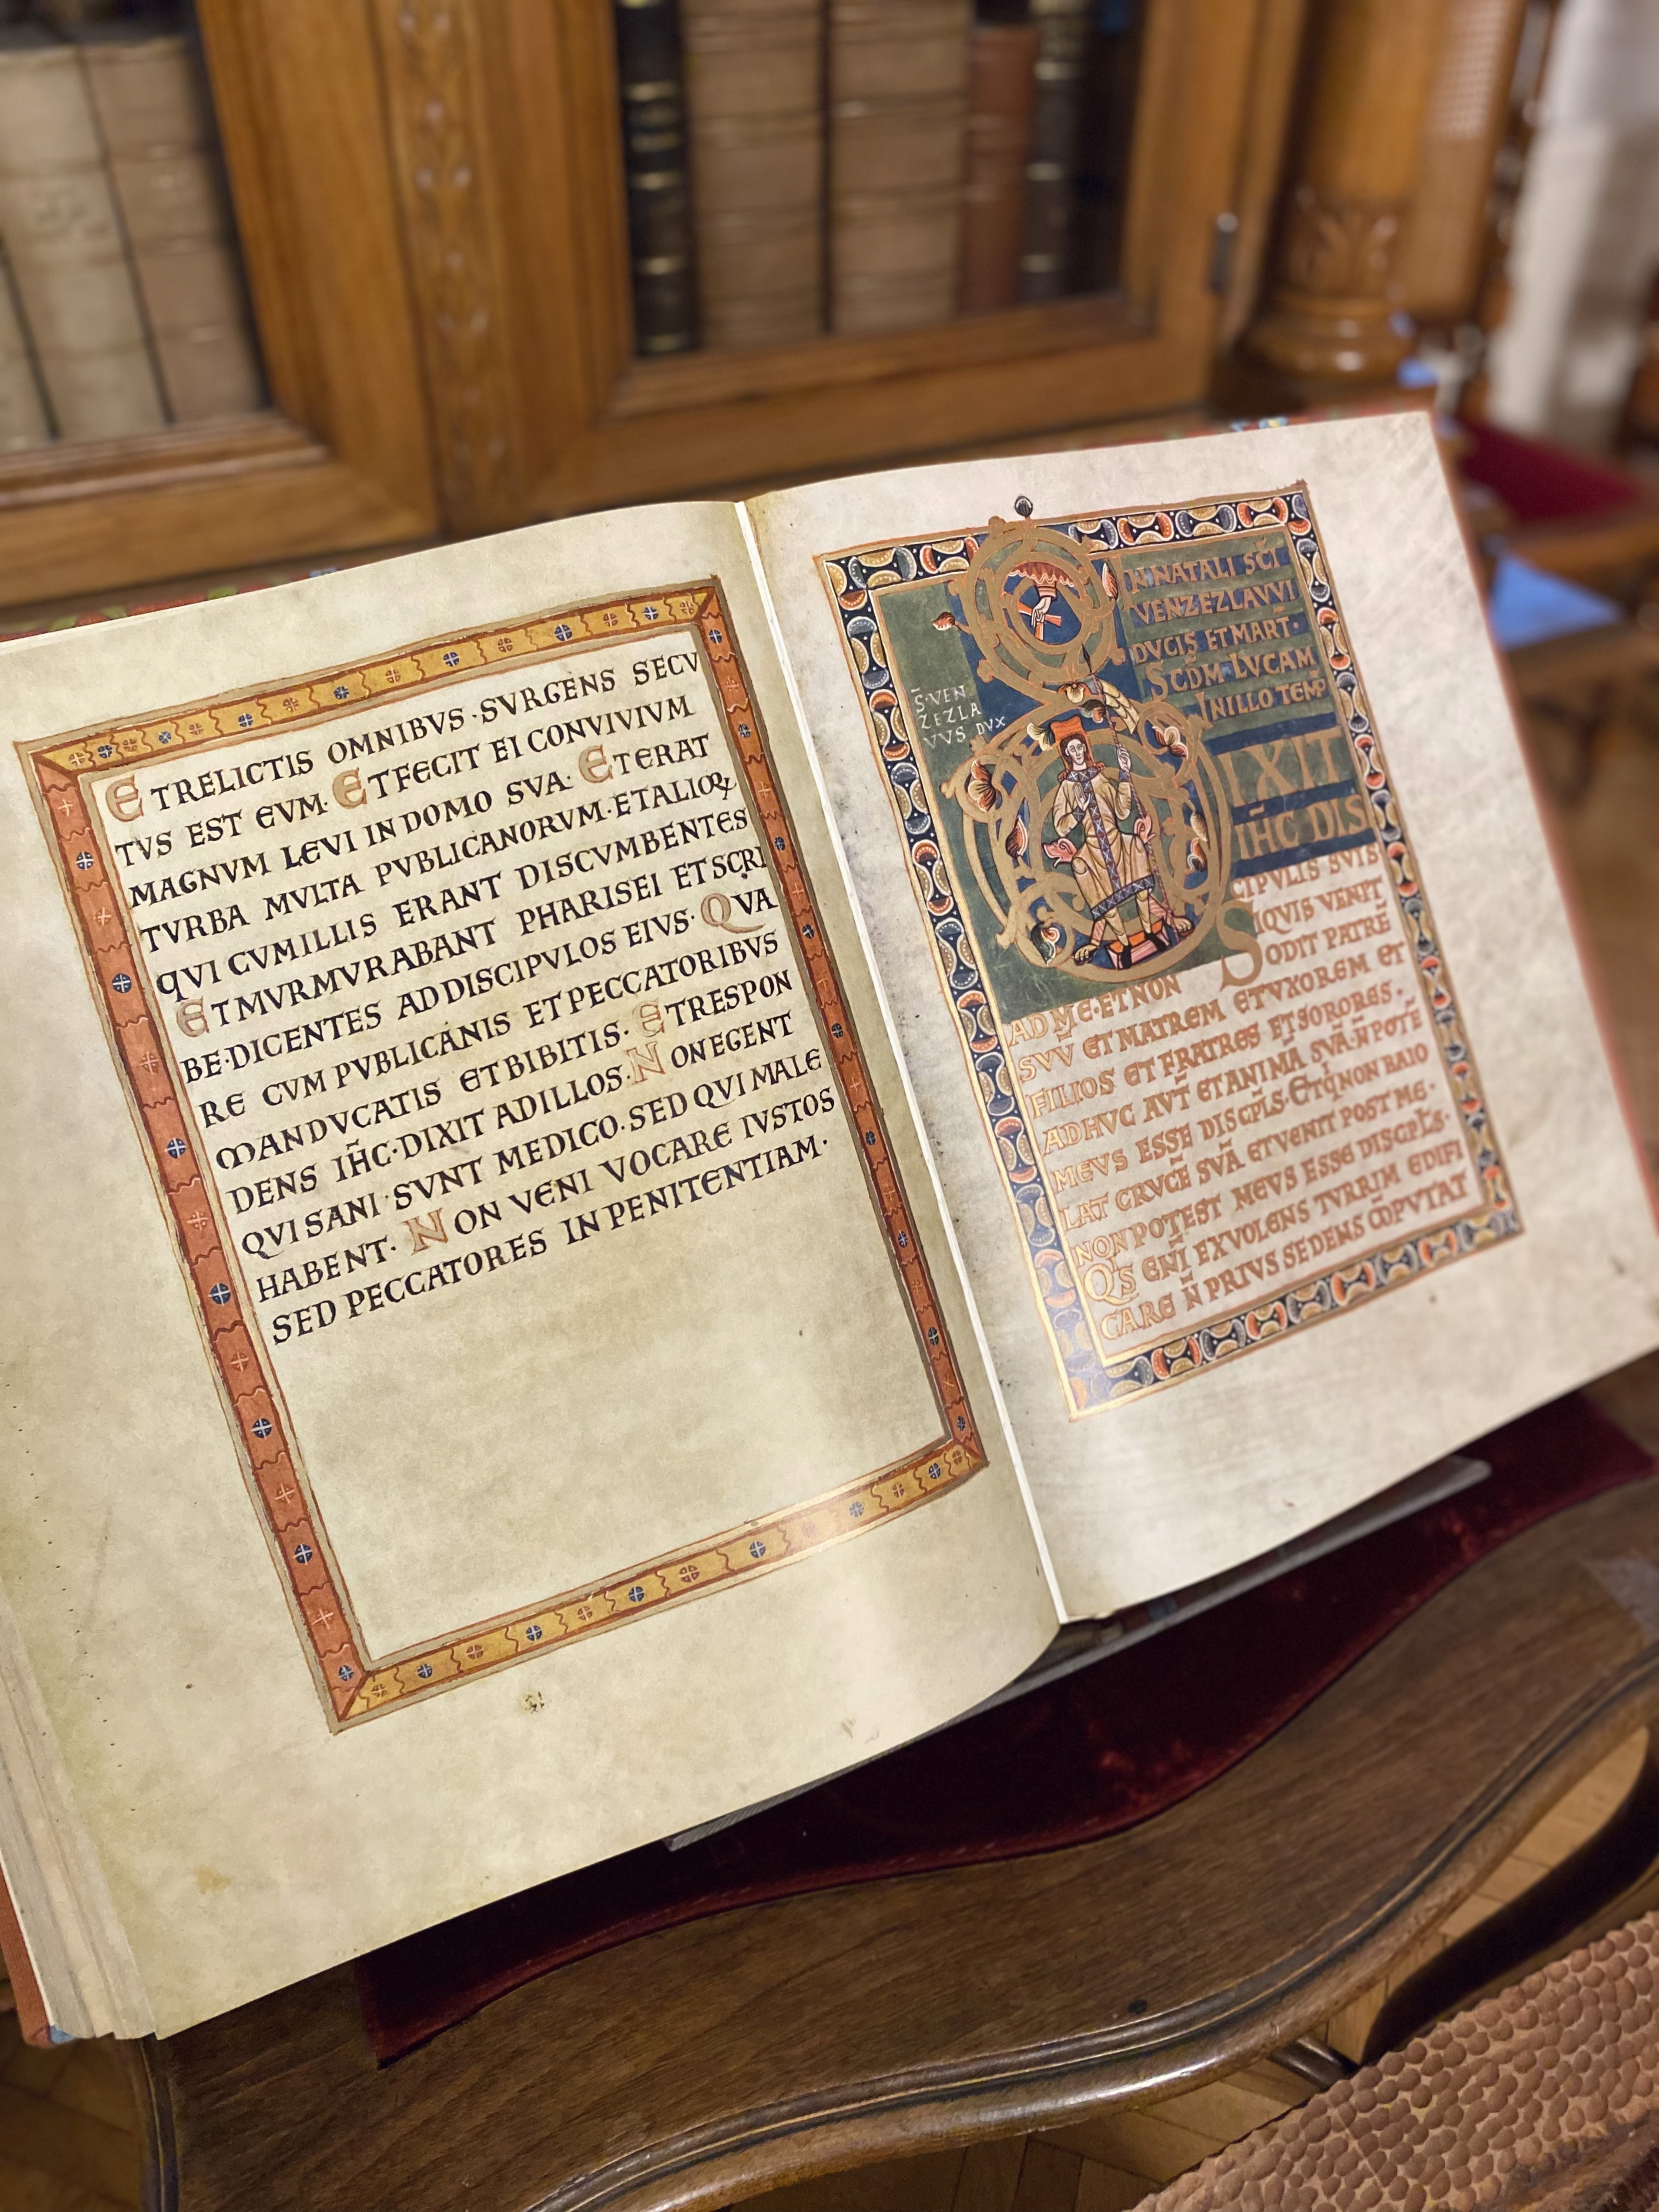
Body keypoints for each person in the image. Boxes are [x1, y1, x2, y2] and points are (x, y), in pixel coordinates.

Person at [1043, 716, 1190, 966]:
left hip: (1118, 842)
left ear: (1085, 748)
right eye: (1072, 750)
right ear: (1067, 755)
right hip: (1093, 851)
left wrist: (1124, 773)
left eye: (1080, 747)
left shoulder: (1099, 778)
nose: (1077, 753)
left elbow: (1122, 811)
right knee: (1103, 900)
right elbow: (1061, 826)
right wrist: (1079, 810)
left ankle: (1151, 933)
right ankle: (1123, 946)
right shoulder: (1067, 788)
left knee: (1141, 880)